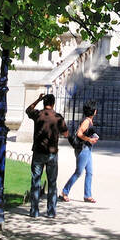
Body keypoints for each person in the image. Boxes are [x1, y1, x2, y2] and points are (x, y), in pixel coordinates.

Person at [25, 91, 69, 220]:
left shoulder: (38, 114)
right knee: (52, 183)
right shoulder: (58, 117)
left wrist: (37, 100)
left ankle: (34, 210)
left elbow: (28, 110)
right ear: (53, 104)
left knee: (35, 182)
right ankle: (51, 211)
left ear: (44, 103)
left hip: (38, 152)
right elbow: (66, 133)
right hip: (52, 153)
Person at [61, 101, 98, 203]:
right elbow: (79, 134)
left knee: (89, 172)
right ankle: (65, 192)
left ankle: (87, 195)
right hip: (83, 149)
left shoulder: (89, 121)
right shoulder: (86, 121)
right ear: (94, 111)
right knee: (78, 172)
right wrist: (89, 139)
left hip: (88, 149)